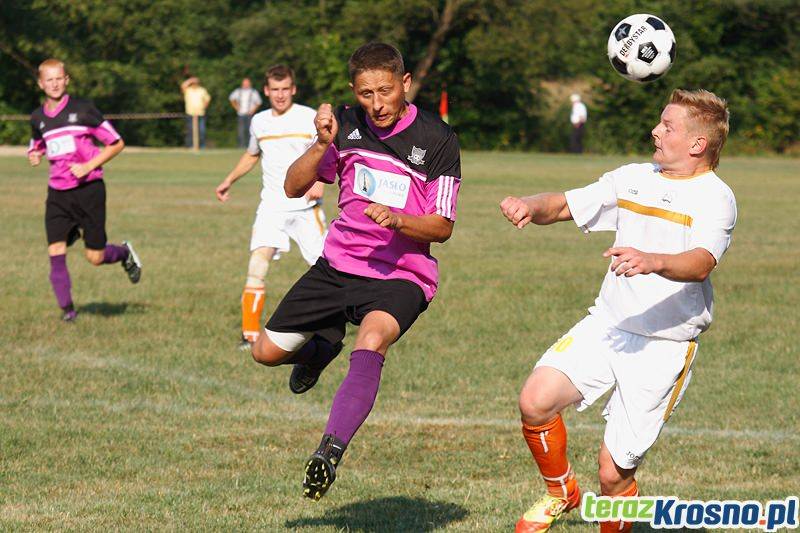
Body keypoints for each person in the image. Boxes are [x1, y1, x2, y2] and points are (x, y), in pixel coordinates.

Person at [500, 89, 736, 533]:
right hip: (609, 325)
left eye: (668, 126)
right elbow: (568, 204)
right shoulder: (634, 177)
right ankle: (561, 492)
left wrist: (654, 260)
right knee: (535, 400)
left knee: (613, 473)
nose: (655, 130)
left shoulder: (715, 197)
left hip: (664, 346)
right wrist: (530, 206)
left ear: (697, 144)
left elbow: (703, 262)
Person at [250, 42, 461, 501]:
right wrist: (322, 142)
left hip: (402, 275)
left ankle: (329, 450)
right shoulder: (344, 125)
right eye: (366, 94)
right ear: (354, 91)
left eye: (386, 91)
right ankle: (321, 348)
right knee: (264, 352)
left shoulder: (438, 138)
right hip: (338, 266)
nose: (377, 104)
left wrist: (401, 219)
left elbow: (442, 226)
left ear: (405, 83)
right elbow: (293, 185)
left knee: (372, 340)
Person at [215, 65, 326, 350]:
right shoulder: (259, 121)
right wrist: (228, 180)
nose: (280, 95)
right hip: (272, 207)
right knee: (257, 264)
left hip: (305, 207)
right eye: (274, 90)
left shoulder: (307, 117)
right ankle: (249, 335)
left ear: (293, 89)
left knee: (328, 268)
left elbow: (327, 151)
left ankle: (339, 321)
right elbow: (252, 155)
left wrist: (320, 181)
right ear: (265, 91)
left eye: (285, 89)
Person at [28, 59, 142, 322]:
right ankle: (68, 311)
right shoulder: (37, 117)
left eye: (59, 79)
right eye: (49, 80)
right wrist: (34, 154)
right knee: (55, 251)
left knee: (95, 256)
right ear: (40, 83)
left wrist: (88, 165)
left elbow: (116, 142)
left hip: (89, 190)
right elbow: (37, 144)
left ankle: (124, 253)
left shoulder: (84, 110)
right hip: (57, 194)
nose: (54, 84)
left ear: (66, 80)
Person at [229, 77, 262, 148]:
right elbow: (231, 98)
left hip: (250, 114)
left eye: (247, 83)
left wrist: (253, 110)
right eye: (244, 83)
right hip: (241, 114)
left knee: (250, 131)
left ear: (249, 84)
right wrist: (236, 107)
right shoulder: (238, 91)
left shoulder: (253, 92)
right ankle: (241, 146)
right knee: (240, 131)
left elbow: (259, 102)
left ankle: (250, 146)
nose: (245, 84)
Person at [181, 76, 211, 148]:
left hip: (200, 113)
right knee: (190, 131)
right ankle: (190, 146)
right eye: (193, 83)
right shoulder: (188, 90)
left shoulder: (202, 90)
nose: (195, 84)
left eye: (196, 83)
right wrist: (190, 80)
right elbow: (183, 85)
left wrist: (204, 107)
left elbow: (207, 99)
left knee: (202, 131)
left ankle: (201, 146)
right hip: (190, 113)